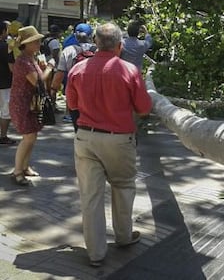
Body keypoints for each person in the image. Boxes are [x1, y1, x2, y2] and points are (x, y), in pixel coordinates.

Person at [66, 22, 152, 267]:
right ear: (119, 45)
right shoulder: (129, 70)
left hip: (86, 137)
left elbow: (72, 105)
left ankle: (95, 254)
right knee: (123, 187)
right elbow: (144, 108)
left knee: (90, 197)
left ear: (95, 43)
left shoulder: (78, 69)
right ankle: (124, 237)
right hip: (119, 139)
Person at [9, 26, 55, 185]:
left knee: (32, 137)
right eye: (35, 42)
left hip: (30, 103)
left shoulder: (31, 59)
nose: (38, 44)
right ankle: (17, 171)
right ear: (26, 44)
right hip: (22, 104)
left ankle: (25, 167)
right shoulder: (23, 61)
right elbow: (38, 81)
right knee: (28, 137)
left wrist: (44, 68)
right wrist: (49, 68)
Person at [51, 23, 96, 128]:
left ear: (75, 35)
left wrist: (53, 90)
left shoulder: (68, 51)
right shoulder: (98, 50)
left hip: (74, 93)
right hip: (94, 93)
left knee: (78, 126)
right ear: (91, 36)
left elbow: (60, 73)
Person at [0, 21, 16, 145]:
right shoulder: (6, 48)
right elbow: (12, 68)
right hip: (5, 84)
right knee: (5, 112)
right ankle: (3, 136)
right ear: (3, 32)